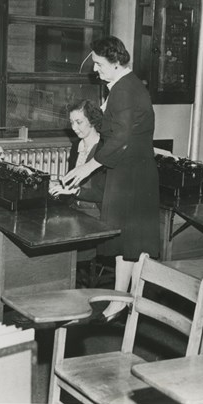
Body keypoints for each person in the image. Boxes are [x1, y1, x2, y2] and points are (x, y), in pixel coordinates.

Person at [62, 36, 160, 320]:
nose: (95, 69)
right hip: (125, 172)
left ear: (117, 63)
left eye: (100, 64)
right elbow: (113, 129)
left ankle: (129, 302)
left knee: (133, 243)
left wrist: (87, 167)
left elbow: (121, 139)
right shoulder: (120, 87)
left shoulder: (126, 90)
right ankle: (121, 299)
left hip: (133, 176)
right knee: (124, 242)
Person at [49, 99, 106, 215]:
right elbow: (71, 182)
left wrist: (75, 191)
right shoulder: (76, 146)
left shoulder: (104, 149)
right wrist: (56, 184)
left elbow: (103, 194)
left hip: (95, 211)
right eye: (71, 122)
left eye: (78, 122)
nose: (74, 128)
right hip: (74, 206)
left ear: (92, 121)